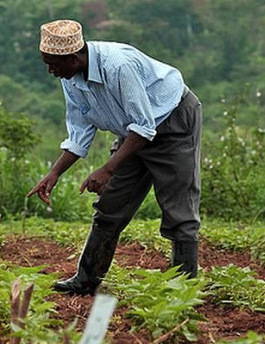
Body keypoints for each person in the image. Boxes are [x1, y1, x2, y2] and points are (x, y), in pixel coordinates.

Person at [27, 20, 202, 295]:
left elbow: (145, 126)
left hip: (172, 121)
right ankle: (86, 279)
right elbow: (80, 132)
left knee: (178, 206)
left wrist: (107, 169)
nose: (51, 71)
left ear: (73, 57)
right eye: (46, 63)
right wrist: (54, 173)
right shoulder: (71, 78)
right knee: (110, 205)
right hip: (133, 132)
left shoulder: (118, 66)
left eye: (53, 64)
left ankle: (185, 288)